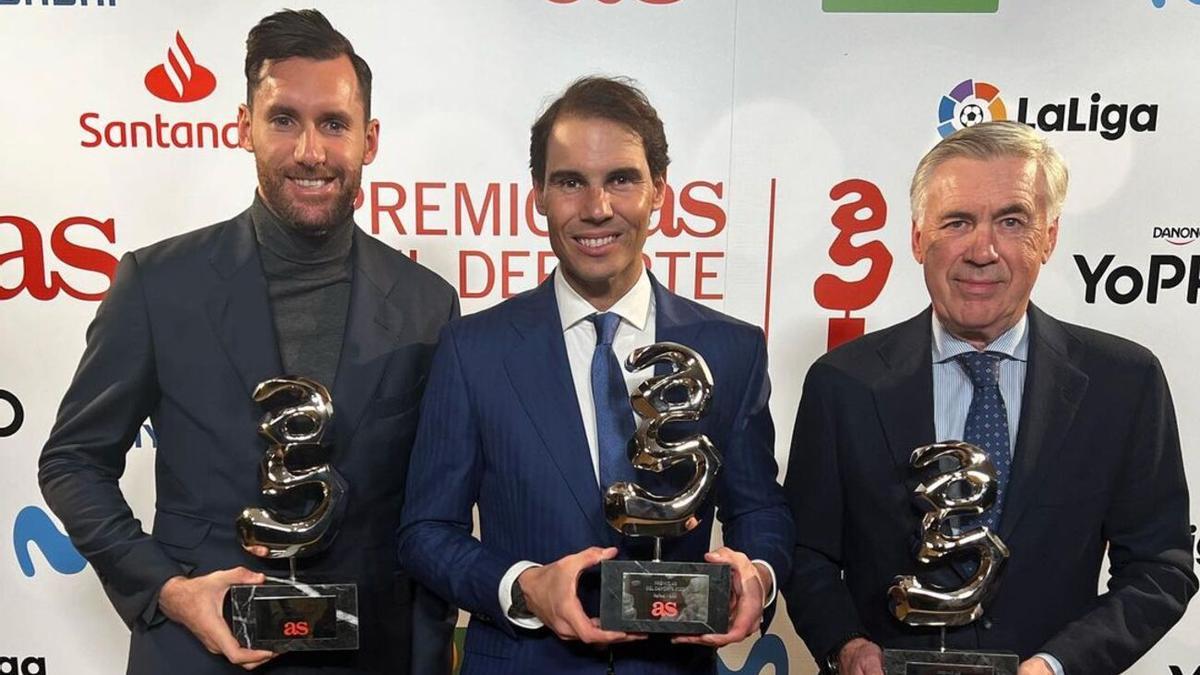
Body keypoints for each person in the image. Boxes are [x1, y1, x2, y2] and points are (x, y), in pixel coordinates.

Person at [38, 9, 457, 675]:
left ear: (369, 139)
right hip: (196, 652)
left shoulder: (428, 304)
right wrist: (168, 591)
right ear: (244, 127)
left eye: (334, 124)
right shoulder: (157, 283)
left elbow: (434, 510)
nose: (311, 151)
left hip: (369, 654)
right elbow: (72, 462)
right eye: (284, 119)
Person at [396, 76, 793, 674]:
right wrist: (523, 586)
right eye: (570, 182)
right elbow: (426, 531)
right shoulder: (472, 350)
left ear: (659, 191)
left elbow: (760, 510)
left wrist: (756, 575)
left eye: (621, 179)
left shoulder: (732, 350)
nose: (596, 208)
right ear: (538, 195)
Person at [783, 120, 1196, 675]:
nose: (983, 250)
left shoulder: (1125, 381)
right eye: (958, 221)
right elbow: (807, 552)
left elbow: (1159, 567)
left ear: (1048, 238)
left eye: (1011, 221)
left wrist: (1056, 665)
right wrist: (847, 646)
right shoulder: (842, 382)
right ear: (917, 238)